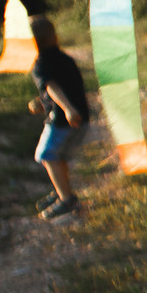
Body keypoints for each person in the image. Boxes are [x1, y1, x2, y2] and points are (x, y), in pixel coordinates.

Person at [25, 16, 90, 221]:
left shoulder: (40, 64)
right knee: (56, 157)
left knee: (47, 155)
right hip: (80, 116)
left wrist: (67, 109)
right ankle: (62, 190)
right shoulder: (65, 59)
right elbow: (66, 88)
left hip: (64, 120)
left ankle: (67, 200)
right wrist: (42, 103)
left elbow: (52, 87)